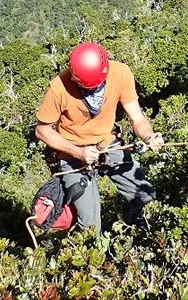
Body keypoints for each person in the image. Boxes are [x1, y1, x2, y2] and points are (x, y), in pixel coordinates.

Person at [35, 42, 163, 233]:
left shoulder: (120, 74)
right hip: (72, 154)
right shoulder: (59, 88)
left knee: (145, 196)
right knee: (90, 225)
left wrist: (148, 136)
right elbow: (42, 130)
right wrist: (78, 152)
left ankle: (135, 230)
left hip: (107, 144)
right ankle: (94, 255)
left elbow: (137, 117)